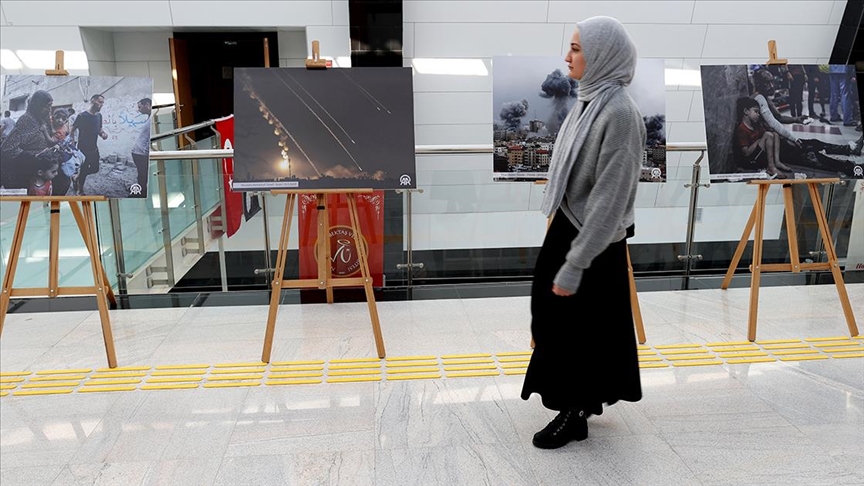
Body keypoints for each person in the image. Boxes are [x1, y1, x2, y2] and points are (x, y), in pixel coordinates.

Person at [521, 16, 643, 449]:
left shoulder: (620, 115)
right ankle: (572, 404)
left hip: (593, 242)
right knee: (555, 321)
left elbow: (611, 200)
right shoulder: (588, 102)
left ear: (602, 55)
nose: (567, 56)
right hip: (569, 226)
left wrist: (575, 263)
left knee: (582, 330)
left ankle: (574, 413)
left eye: (576, 48)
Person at [751, 69, 861, 176]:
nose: (771, 86)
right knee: (809, 153)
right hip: (774, 147)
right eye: (767, 83)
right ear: (759, 83)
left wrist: (796, 119)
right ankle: (851, 168)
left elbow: (778, 117)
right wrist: (793, 139)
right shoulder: (759, 98)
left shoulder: (764, 97)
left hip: (778, 142)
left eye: (771, 82)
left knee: (813, 143)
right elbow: (773, 123)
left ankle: (849, 149)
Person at [0, 91, 54, 190]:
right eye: (47, 106)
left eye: (50, 106)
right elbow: (7, 148)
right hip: (22, 173)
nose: (49, 110)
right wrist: (33, 156)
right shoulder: (26, 120)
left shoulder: (41, 120)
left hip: (37, 171)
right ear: (38, 105)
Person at [735, 97, 792, 178]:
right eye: (756, 111)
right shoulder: (742, 129)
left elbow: (766, 133)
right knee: (768, 135)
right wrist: (758, 141)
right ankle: (771, 167)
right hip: (751, 161)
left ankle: (777, 162)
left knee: (774, 134)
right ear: (746, 111)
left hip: (759, 156)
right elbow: (746, 153)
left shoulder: (755, 125)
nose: (758, 115)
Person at [72, 94, 108, 194]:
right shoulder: (82, 116)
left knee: (95, 169)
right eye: (100, 102)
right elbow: (72, 130)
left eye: (103, 103)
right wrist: (72, 144)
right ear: (92, 101)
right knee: (83, 170)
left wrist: (103, 134)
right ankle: (80, 190)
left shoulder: (99, 116)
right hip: (83, 149)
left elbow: (99, 129)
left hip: (94, 148)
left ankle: (76, 177)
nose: (102, 105)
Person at [131, 98, 152, 195]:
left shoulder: (151, 118)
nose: (138, 110)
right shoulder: (149, 117)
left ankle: (142, 193)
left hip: (142, 153)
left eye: (140, 107)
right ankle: (141, 193)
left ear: (147, 105)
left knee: (143, 176)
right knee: (142, 176)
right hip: (140, 153)